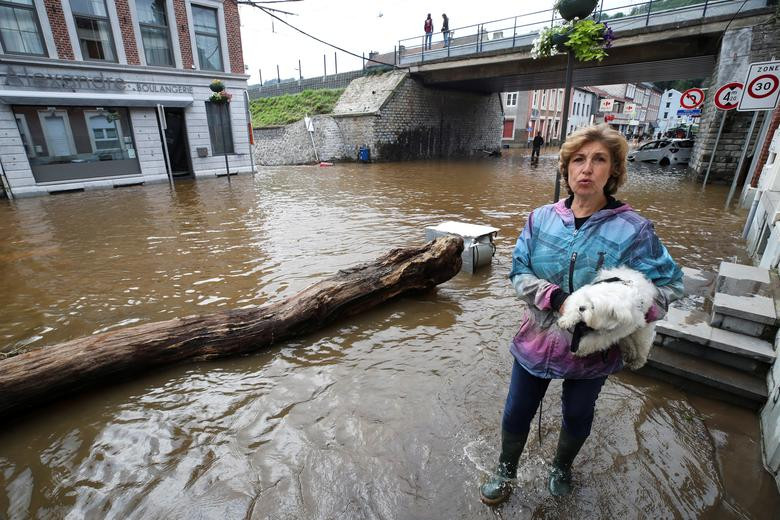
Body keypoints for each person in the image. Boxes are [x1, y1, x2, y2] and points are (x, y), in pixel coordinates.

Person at [479, 124, 683, 506]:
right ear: (566, 168)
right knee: (517, 409)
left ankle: (561, 468)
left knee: (577, 413)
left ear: (614, 170)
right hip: (537, 338)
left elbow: (671, 284)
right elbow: (518, 270)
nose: (586, 168)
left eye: (598, 159)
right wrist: (557, 299)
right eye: (578, 160)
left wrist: (630, 310)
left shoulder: (634, 230)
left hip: (594, 349)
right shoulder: (540, 218)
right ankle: (506, 469)